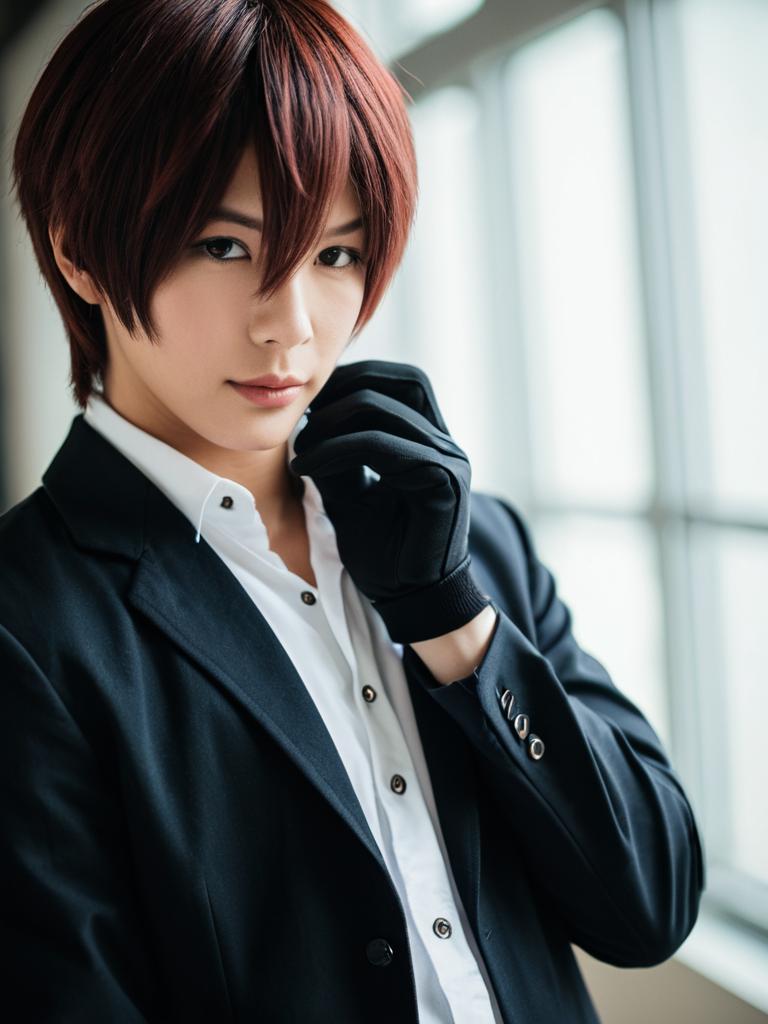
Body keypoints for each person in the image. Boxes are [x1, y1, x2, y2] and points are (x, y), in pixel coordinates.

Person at [0, 1, 704, 1021]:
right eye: (224, 245)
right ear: (78, 250)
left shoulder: (472, 541)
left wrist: (455, 624)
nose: (290, 325)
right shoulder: (29, 622)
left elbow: (652, 906)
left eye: (336, 254)